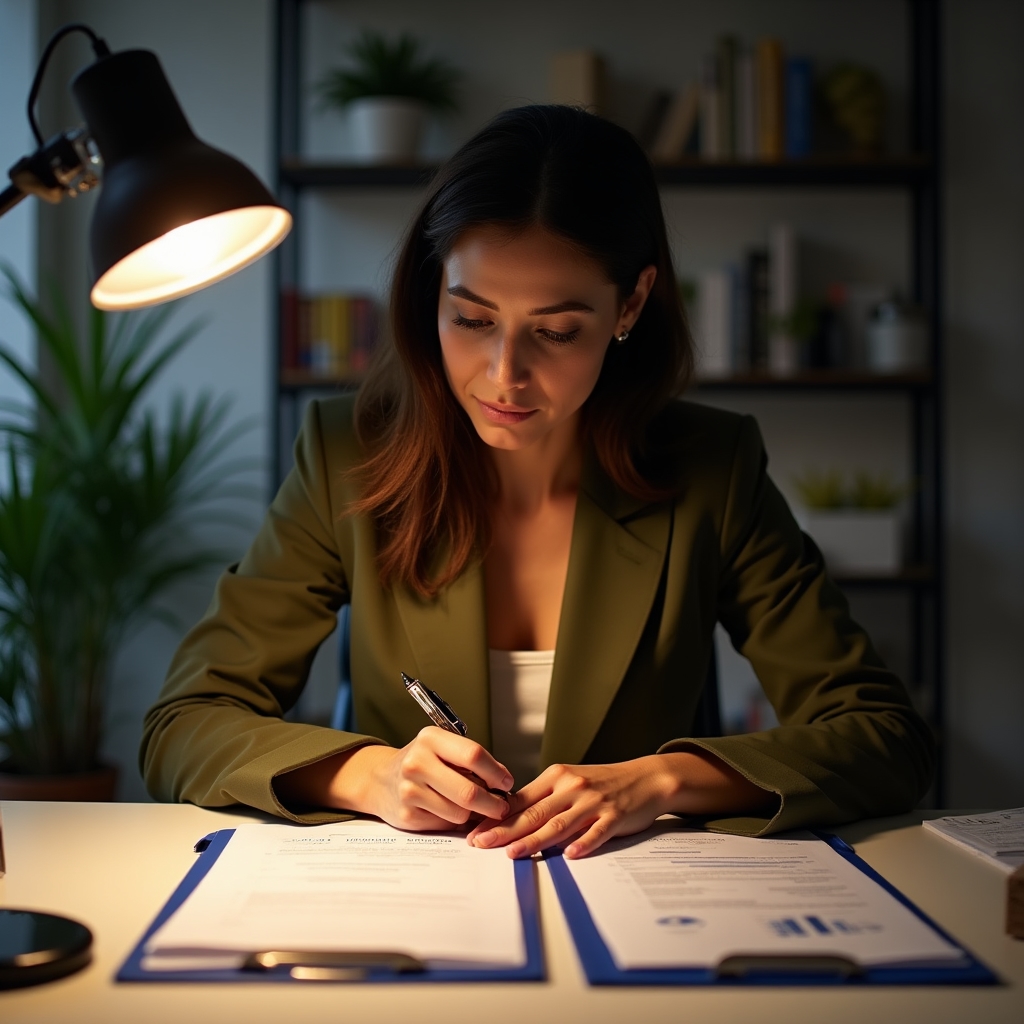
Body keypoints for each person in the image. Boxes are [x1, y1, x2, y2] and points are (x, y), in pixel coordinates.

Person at [142, 105, 934, 860]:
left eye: (556, 332)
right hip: (419, 909)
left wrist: (663, 781)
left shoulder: (711, 469)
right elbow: (184, 725)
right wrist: (367, 775)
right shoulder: (347, 453)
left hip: (643, 913)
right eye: (472, 319)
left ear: (631, 303)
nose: (504, 376)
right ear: (432, 292)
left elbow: (884, 737)